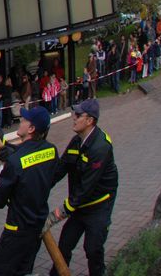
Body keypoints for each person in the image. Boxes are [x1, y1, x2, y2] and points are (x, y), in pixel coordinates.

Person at [48, 99, 118, 276]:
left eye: (78, 115)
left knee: (93, 249)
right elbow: (59, 169)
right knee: (64, 245)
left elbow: (87, 187)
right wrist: (41, 188)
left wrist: (59, 214)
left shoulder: (100, 146)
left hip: (99, 205)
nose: (74, 117)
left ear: (90, 121)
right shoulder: (76, 142)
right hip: (80, 203)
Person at [0, 106, 59, 276]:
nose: (21, 121)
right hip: (37, 227)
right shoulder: (51, 151)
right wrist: (5, 145)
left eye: (25, 120)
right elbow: (30, 155)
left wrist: (2, 173)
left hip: (16, 231)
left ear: (32, 129)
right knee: (23, 271)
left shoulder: (14, 163)